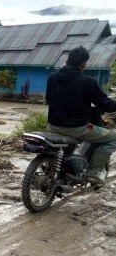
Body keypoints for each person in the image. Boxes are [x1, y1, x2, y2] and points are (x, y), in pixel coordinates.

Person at [46, 45, 116, 187]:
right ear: (83, 64)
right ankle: (93, 173)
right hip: (76, 128)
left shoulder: (52, 77)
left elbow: (49, 99)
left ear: (67, 60)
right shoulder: (88, 81)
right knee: (113, 138)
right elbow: (105, 104)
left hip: (52, 125)